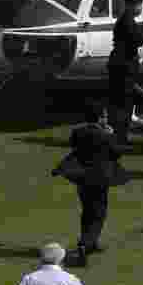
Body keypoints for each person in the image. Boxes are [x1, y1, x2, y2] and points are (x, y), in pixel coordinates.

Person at [52, 105, 129, 266]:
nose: (107, 119)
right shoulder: (105, 135)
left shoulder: (77, 132)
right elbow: (117, 152)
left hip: (81, 176)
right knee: (99, 213)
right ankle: (84, 246)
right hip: (100, 177)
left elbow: (73, 146)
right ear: (100, 118)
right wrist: (112, 135)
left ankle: (89, 242)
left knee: (87, 210)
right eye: (105, 116)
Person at [107, 0, 143, 146]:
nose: (141, 8)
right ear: (133, 5)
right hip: (123, 65)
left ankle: (119, 133)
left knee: (121, 101)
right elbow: (138, 39)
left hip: (121, 64)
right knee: (124, 101)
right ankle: (120, 136)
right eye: (139, 5)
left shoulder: (126, 20)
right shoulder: (127, 21)